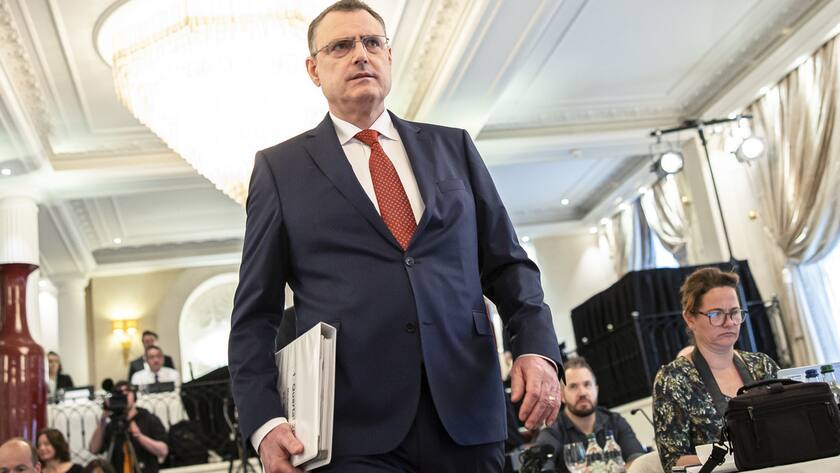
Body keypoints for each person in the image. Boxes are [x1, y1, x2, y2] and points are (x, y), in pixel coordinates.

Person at [227, 1, 563, 472]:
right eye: (341, 46)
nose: (360, 55)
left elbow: (508, 265)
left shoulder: (454, 147)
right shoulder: (279, 170)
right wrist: (263, 421)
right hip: (351, 431)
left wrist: (536, 348)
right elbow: (254, 315)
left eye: (372, 42)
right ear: (313, 69)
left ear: (389, 55)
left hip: (467, 412)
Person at [652, 267, 779, 472]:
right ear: (690, 318)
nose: (729, 322)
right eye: (716, 314)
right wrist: (733, 458)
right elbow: (673, 460)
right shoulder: (673, 379)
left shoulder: (762, 365)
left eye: (735, 313)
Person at [534, 357, 645, 471]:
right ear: (561, 395)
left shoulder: (615, 421)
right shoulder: (552, 432)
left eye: (587, 384)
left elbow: (638, 460)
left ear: (596, 389)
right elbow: (541, 468)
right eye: (573, 386)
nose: (582, 393)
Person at [88, 381, 169, 473]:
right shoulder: (112, 424)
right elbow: (94, 449)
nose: (123, 396)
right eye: (119, 394)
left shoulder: (147, 418)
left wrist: (139, 436)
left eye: (127, 392)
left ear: (134, 396)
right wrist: (102, 421)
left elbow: (163, 451)